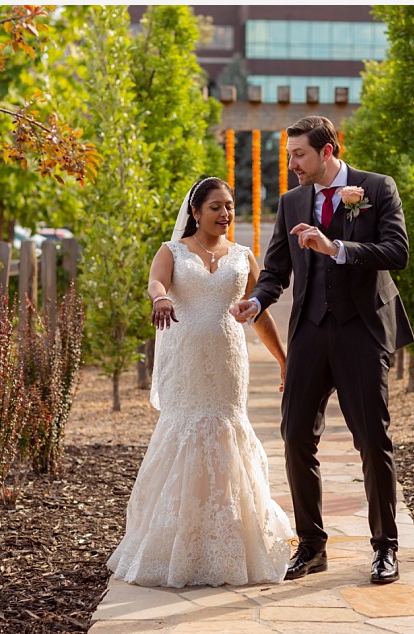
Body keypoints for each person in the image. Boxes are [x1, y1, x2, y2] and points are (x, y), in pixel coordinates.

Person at [230, 116, 414, 584]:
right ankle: (312, 546)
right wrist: (256, 301)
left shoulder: (376, 188)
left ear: (328, 151)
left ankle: (385, 548)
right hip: (310, 331)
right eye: (290, 154)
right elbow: (275, 270)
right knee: (294, 435)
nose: (292, 164)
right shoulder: (293, 201)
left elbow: (397, 251)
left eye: (300, 155)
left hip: (361, 329)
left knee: (372, 439)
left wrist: (337, 248)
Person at [107, 177, 293, 588]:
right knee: (187, 431)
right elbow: (156, 283)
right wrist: (161, 298)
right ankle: (178, 542)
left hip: (228, 362)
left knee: (225, 434)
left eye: (229, 206)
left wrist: (283, 359)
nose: (225, 214)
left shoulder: (244, 256)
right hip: (185, 363)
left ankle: (228, 538)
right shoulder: (172, 251)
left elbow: (259, 312)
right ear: (195, 212)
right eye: (216, 207)